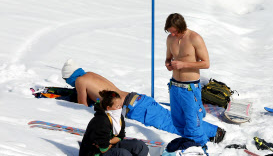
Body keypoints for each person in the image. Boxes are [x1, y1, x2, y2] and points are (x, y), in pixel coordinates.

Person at [60, 59, 224, 143]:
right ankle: (214, 131)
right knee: (172, 119)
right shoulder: (88, 74)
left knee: (171, 125)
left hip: (133, 107)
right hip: (136, 99)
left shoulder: (80, 81)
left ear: (70, 77)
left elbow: (82, 106)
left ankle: (213, 133)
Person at [165, 13, 225, 149]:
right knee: (178, 122)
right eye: (170, 31)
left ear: (181, 27)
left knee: (193, 123)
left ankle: (201, 150)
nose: (172, 34)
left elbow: (206, 63)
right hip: (175, 86)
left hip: (190, 88)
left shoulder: (194, 38)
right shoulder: (170, 39)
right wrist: (168, 64)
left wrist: (183, 65)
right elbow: (168, 57)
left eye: (174, 31)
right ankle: (188, 147)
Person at [78, 90, 149, 156]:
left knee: (139, 146)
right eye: (117, 106)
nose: (120, 108)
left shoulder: (118, 117)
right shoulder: (101, 121)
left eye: (120, 105)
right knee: (124, 155)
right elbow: (103, 149)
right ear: (108, 108)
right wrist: (111, 142)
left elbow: (121, 136)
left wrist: (109, 142)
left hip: (107, 147)